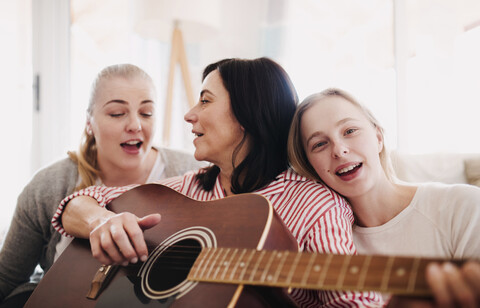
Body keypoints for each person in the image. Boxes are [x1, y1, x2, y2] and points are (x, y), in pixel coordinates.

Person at [52, 58, 383, 307]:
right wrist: (102, 221)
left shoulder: (316, 207)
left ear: (245, 116)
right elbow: (75, 204)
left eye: (206, 100)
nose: (189, 114)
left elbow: (353, 301)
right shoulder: (189, 189)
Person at [0, 64, 204, 307]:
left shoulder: (194, 172)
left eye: (147, 113)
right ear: (89, 122)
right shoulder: (48, 186)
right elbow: (7, 279)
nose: (135, 125)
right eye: (117, 113)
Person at [288, 87, 480, 307]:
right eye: (319, 144)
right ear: (311, 167)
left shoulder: (465, 206)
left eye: (350, 131)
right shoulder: (326, 246)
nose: (339, 150)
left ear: (378, 137)